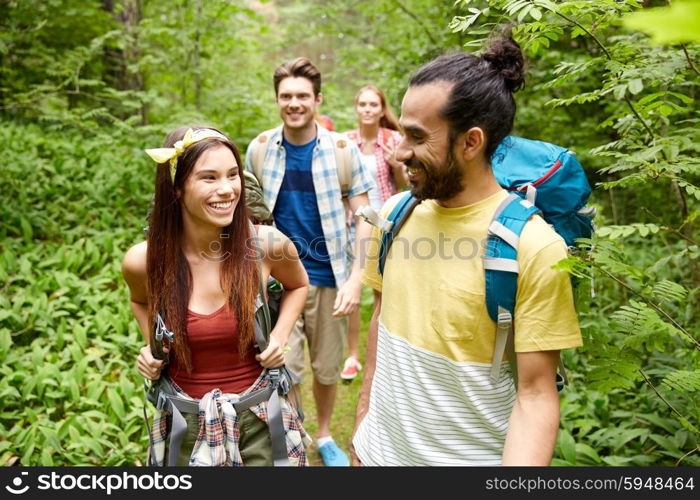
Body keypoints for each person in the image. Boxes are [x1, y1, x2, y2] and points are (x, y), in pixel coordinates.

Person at [352, 36, 583, 466]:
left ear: (471, 142)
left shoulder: (532, 247)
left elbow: (535, 395)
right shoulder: (395, 214)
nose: (401, 151)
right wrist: (363, 430)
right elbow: (381, 323)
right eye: (403, 131)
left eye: (417, 137)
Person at [122, 125, 310, 466]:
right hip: (184, 426)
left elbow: (298, 285)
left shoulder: (265, 245)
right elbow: (141, 300)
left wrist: (280, 337)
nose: (227, 190)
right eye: (209, 178)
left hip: (260, 423)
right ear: (177, 188)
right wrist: (153, 345)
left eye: (233, 175)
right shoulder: (144, 261)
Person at [245, 58, 373, 466]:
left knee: (327, 367)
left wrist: (357, 279)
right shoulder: (260, 148)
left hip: (329, 276)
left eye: (302, 96)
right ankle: (295, 429)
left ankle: (323, 434)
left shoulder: (342, 151)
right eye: (286, 96)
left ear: (317, 100)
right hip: (277, 281)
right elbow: (247, 213)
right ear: (277, 100)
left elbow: (366, 216)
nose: (294, 103)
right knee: (286, 363)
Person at [340, 85, 408, 381]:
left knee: (384, 288)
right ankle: (352, 356)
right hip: (355, 223)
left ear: (382, 110)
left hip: (387, 220)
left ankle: (386, 355)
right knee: (352, 286)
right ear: (356, 108)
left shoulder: (394, 140)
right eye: (363, 104)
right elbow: (341, 185)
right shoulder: (344, 142)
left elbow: (405, 186)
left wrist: (397, 166)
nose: (367, 109)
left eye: (373, 104)